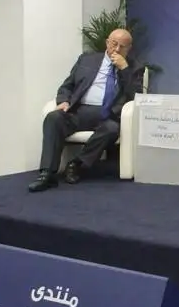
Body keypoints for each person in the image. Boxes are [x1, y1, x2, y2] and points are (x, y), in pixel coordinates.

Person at [29, 28, 145, 191]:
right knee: (53, 118)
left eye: (122, 46)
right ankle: (47, 174)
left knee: (112, 129)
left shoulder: (135, 67)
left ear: (129, 48)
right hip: (79, 111)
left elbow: (137, 96)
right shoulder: (86, 60)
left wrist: (124, 69)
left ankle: (76, 164)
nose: (117, 49)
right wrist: (63, 101)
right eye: (114, 44)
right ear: (107, 43)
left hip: (109, 115)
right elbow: (67, 86)